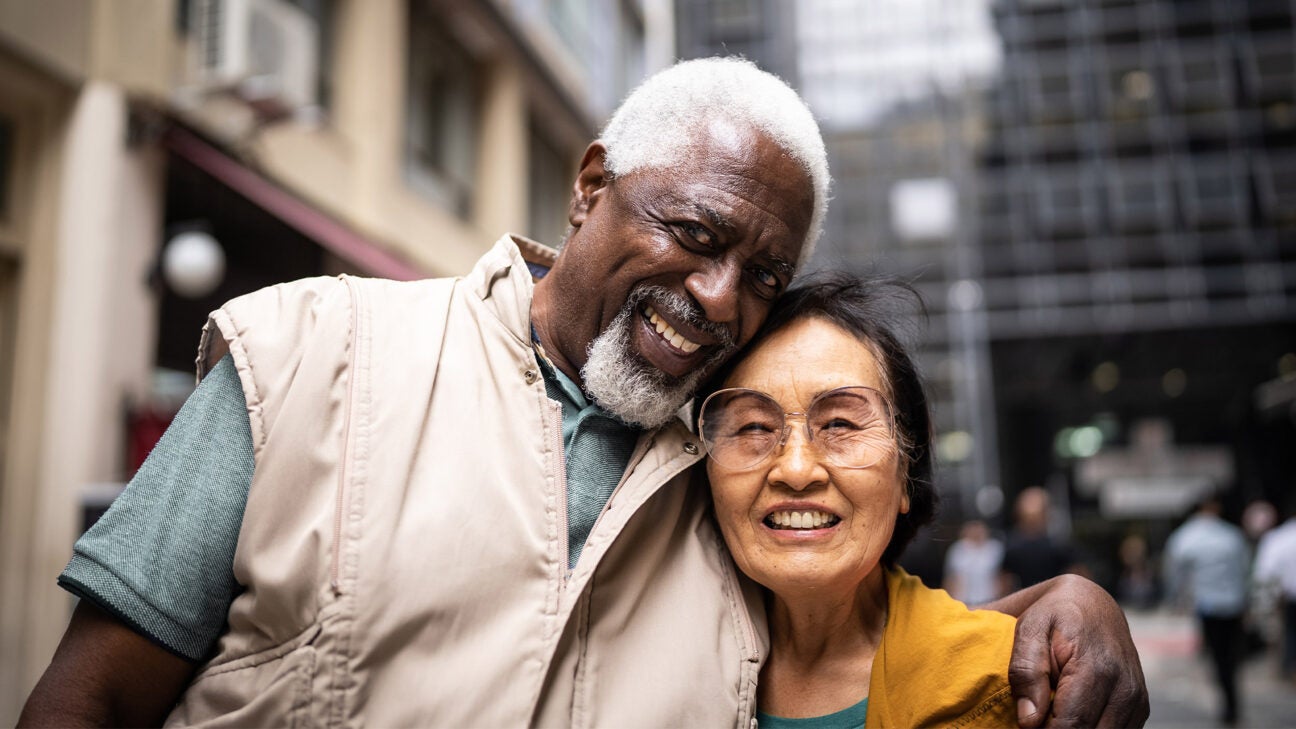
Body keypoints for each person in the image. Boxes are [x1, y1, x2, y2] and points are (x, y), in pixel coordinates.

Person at [20, 58, 1148, 728]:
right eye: (692, 232)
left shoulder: (735, 474)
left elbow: (860, 650)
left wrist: (1068, 606)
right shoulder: (314, 349)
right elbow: (87, 704)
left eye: (760, 274)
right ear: (591, 184)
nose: (715, 299)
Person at [701, 274, 1141, 727]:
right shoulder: (660, 673)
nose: (795, 469)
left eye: (840, 425)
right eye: (753, 427)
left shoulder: (1018, 685)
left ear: (906, 475)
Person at [1164, 495, 1251, 725]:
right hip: (1233, 604)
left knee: (1218, 656)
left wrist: (1176, 600)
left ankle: (1227, 701)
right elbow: (1245, 570)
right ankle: (1231, 699)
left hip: (1208, 606)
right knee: (1230, 657)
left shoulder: (1185, 536)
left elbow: (1175, 574)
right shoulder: (1232, 535)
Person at [999, 486, 1086, 594]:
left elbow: (1078, 574)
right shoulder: (1013, 547)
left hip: (1049, 598)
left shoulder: (1059, 544)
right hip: (1040, 599)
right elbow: (1005, 581)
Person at [1254, 504, 1296, 684]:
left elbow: (1265, 572)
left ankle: (1290, 668)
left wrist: (1264, 603)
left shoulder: (1278, 538)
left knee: (1290, 632)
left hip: (1288, 596)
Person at [944, 519, 1004, 606]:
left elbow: (1003, 576)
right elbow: (950, 578)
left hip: (989, 600)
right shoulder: (957, 549)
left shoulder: (995, 549)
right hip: (963, 602)